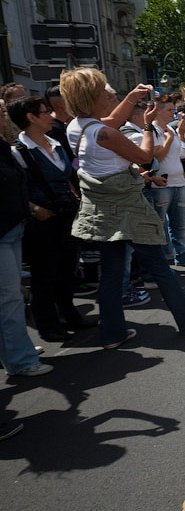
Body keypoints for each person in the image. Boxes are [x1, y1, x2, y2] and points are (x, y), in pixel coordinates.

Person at [60, 68, 185, 349]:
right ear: (93, 98)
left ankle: (112, 334)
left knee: (113, 273)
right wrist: (148, 127)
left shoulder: (77, 126)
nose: (108, 94)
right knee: (160, 267)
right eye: (104, 91)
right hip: (127, 206)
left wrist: (130, 98)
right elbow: (145, 158)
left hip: (103, 208)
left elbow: (111, 121)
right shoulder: (103, 133)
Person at [8, 96, 90, 341]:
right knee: (45, 274)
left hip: (64, 215)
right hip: (41, 221)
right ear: (31, 118)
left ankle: (69, 314)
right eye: (45, 112)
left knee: (67, 269)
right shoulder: (18, 151)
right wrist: (34, 209)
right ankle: (48, 325)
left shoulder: (54, 143)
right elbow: (16, 190)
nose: (51, 116)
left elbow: (68, 176)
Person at [0, 103, 54, 377]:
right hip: (3, 230)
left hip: (12, 228)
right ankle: (20, 359)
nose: (4, 118)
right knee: (10, 298)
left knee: (9, 297)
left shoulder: (3, 146)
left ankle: (13, 350)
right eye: (0, 114)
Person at [150, 94, 185, 266]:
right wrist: (170, 139)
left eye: (173, 109)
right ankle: (165, 256)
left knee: (179, 224)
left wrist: (184, 181)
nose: (174, 113)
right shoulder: (153, 129)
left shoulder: (169, 129)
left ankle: (182, 254)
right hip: (162, 184)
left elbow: (177, 159)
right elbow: (158, 156)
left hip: (177, 181)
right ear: (157, 111)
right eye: (170, 110)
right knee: (161, 224)